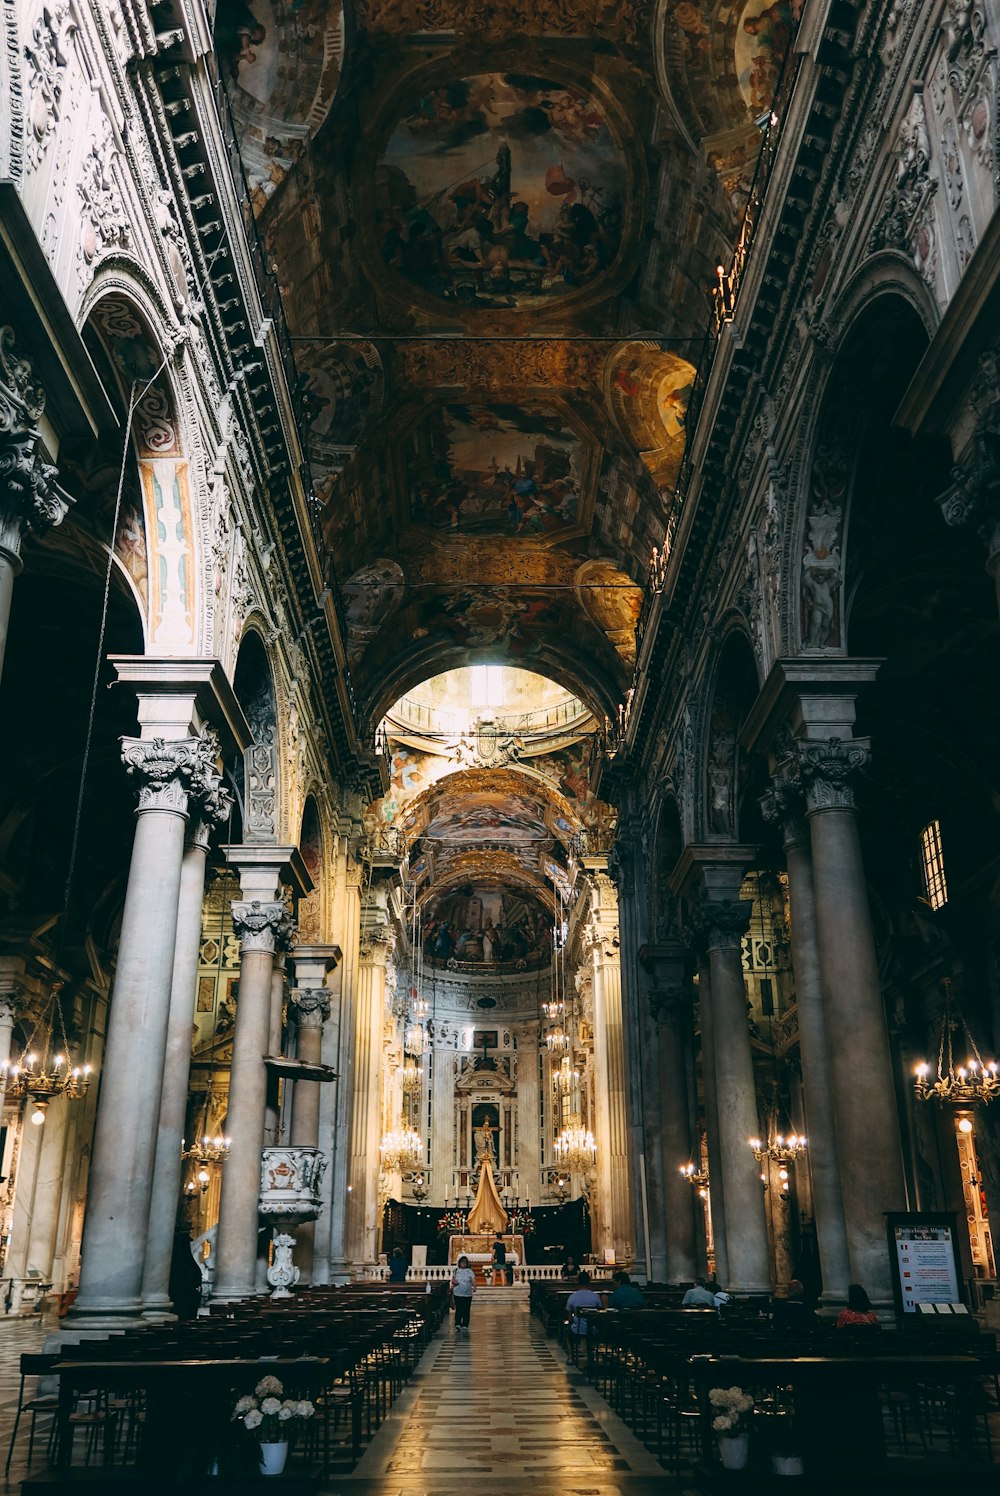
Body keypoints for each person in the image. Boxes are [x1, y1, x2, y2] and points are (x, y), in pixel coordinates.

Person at [565, 1270, 604, 1352]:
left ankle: (571, 1357)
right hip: (593, 1329)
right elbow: (599, 1312)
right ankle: (592, 1353)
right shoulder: (595, 1296)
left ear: (578, 1281)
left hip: (578, 1329)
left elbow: (569, 1316)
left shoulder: (573, 1296)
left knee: (567, 1333)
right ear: (589, 1281)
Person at [451, 1255, 475, 1333]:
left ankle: (465, 1324)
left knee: (466, 1309)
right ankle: (457, 1323)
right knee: (459, 1309)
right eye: (462, 1262)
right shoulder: (456, 1270)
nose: (463, 1264)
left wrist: (474, 1286)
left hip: (467, 1293)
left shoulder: (469, 1271)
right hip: (458, 1292)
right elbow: (453, 1279)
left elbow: (473, 1280)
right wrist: (454, 1282)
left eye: (464, 1263)